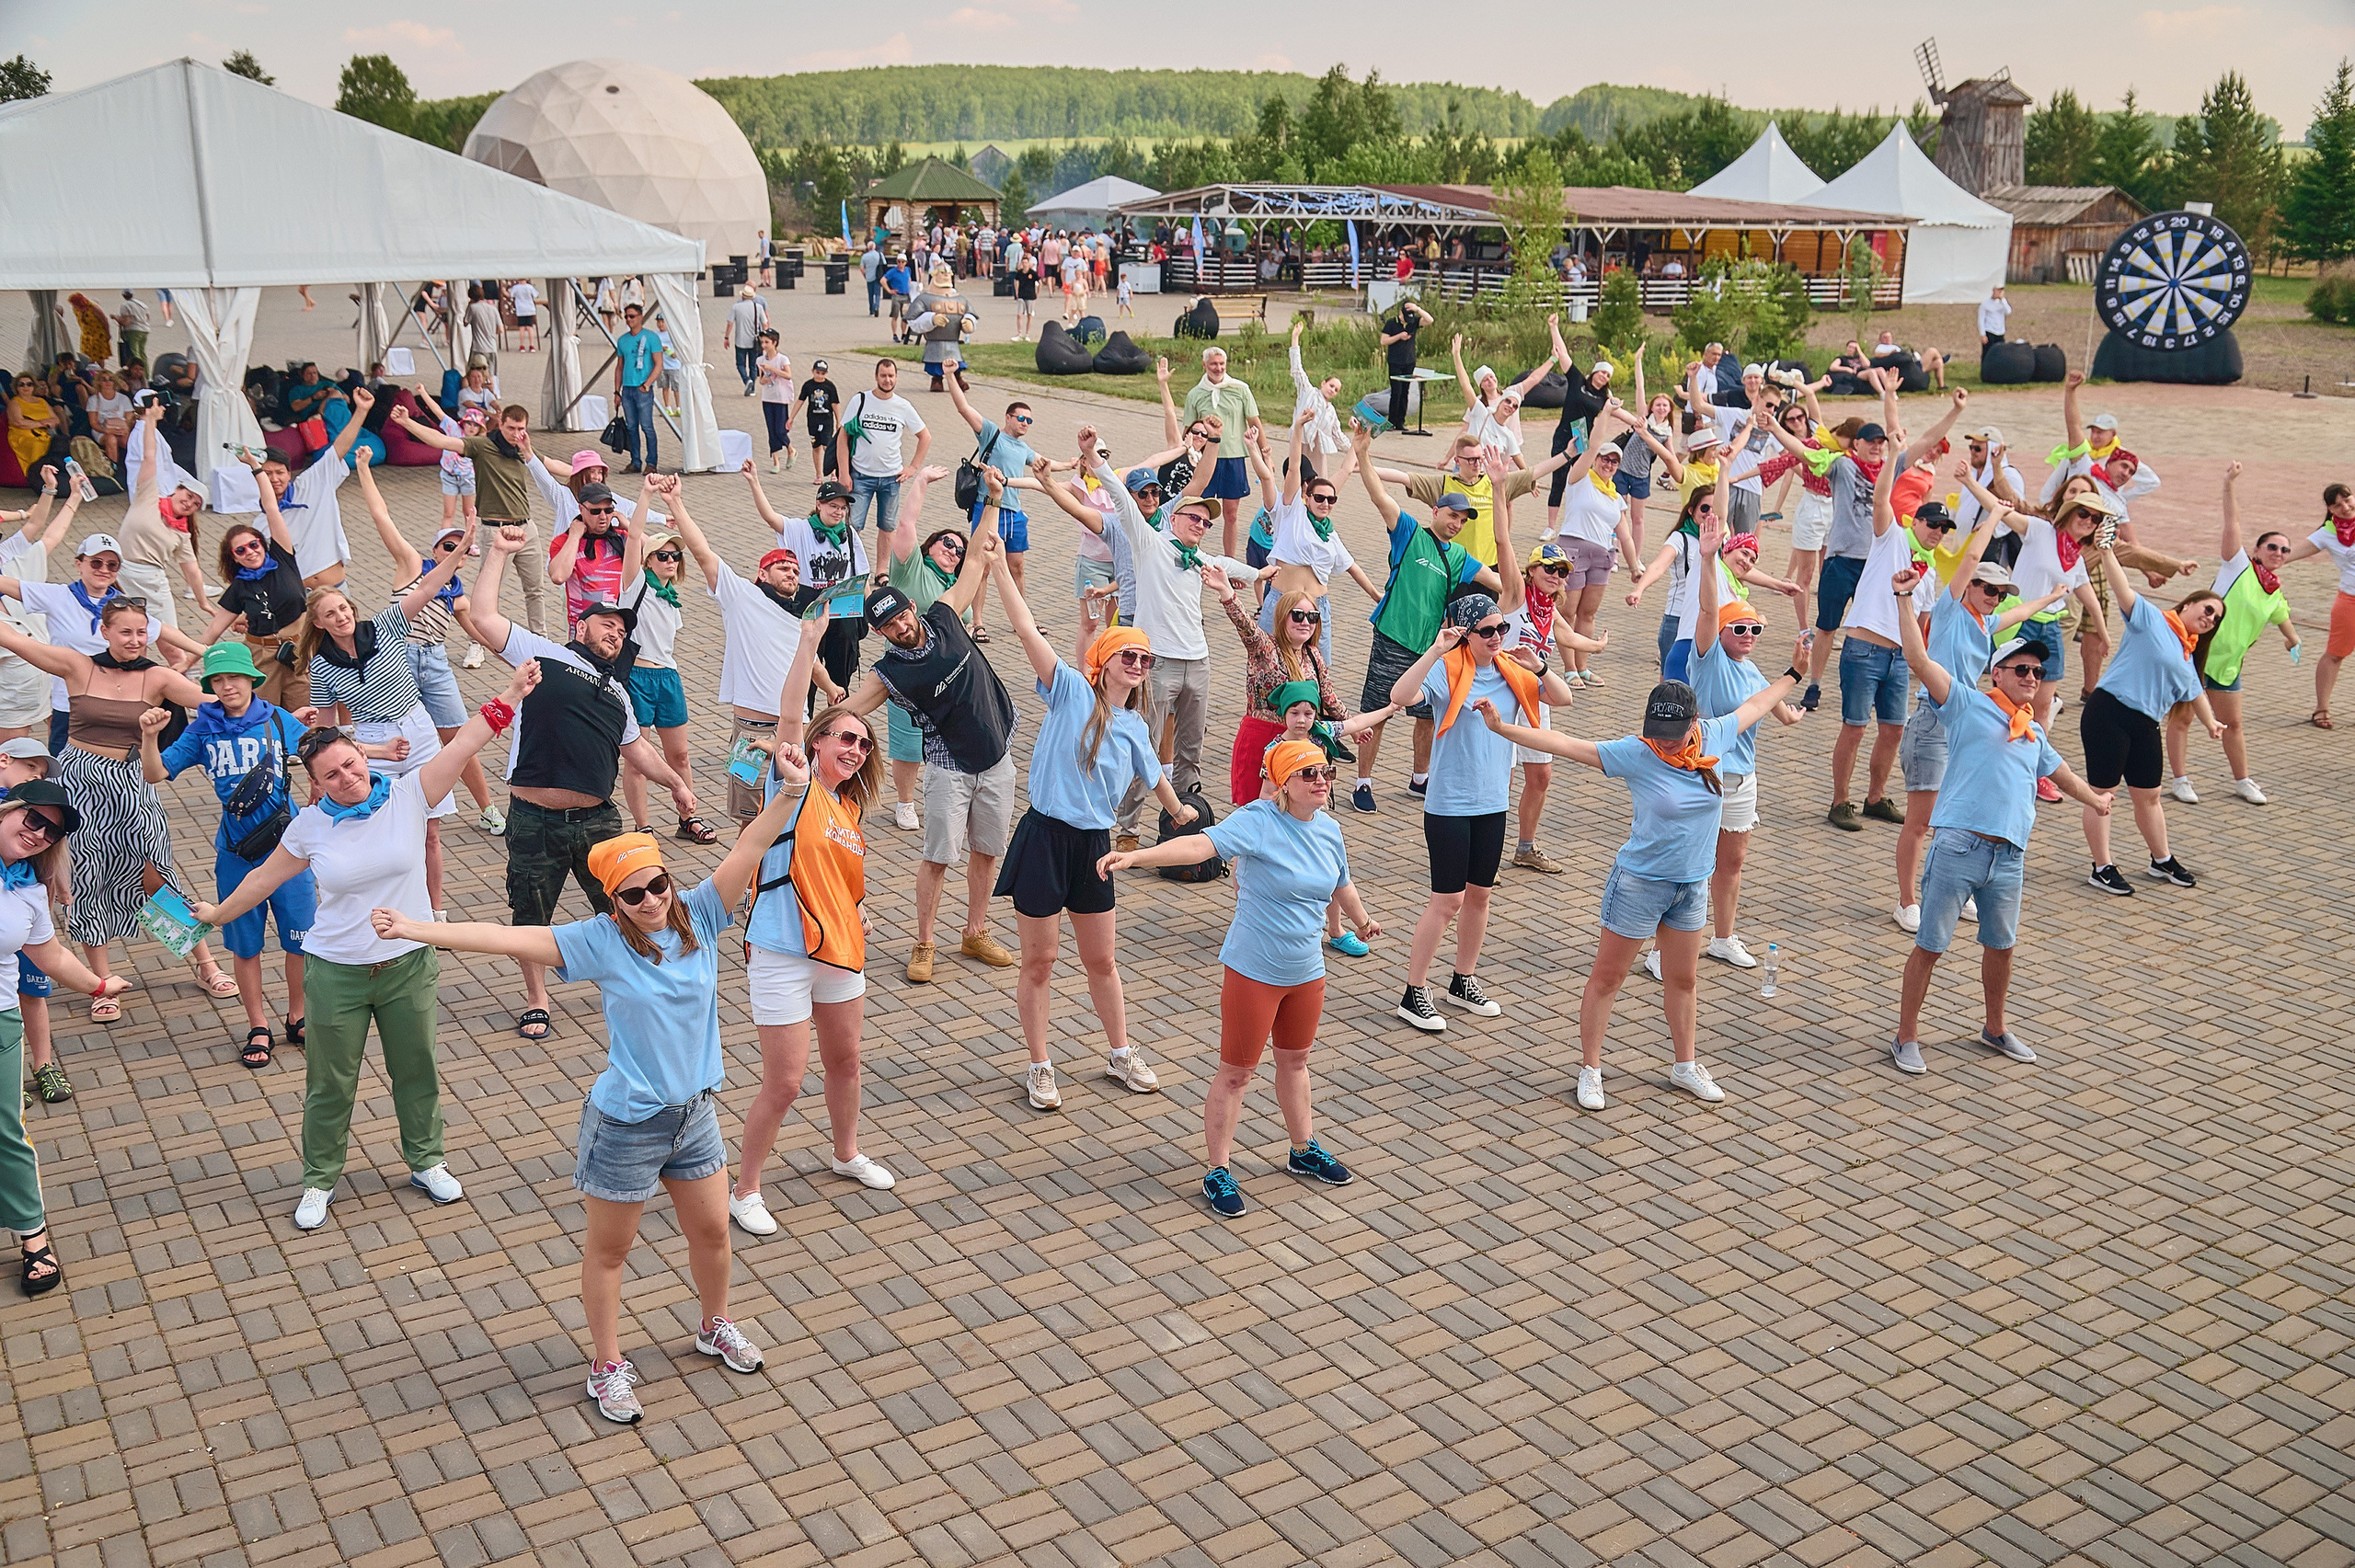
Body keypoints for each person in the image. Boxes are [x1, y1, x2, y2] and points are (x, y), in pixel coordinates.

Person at [374, 792, 798, 1421]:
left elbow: (751, 844)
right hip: (627, 1125)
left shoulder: (701, 915)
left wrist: (789, 792)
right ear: (612, 903)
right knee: (610, 1252)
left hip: (695, 1116)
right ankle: (605, 1366)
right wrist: (414, 929)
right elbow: (502, 935)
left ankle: (715, 1325)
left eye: (657, 884)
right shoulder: (600, 941)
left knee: (712, 1232)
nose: (651, 900)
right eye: (633, 894)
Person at [192, 665, 538, 1228]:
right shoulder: (308, 827)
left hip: (407, 964)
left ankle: (427, 1160)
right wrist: (216, 913)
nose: (346, 778)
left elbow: (471, 738)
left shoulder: (411, 795)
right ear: (317, 782)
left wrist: (512, 694)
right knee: (330, 1081)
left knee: (417, 1068)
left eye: (351, 764)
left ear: (364, 757)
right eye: (331, 775)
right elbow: (262, 879)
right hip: (336, 970)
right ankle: (318, 1179)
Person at [1099, 738, 1374, 1218]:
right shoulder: (1257, 821)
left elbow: (1340, 882)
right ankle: (1218, 1171)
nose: (1321, 782)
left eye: (1325, 773)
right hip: (1253, 971)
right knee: (1236, 1074)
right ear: (1284, 783)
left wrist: (1362, 919)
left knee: (1295, 1063)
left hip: (1307, 972)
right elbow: (1198, 845)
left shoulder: (1330, 829)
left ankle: (1302, 1148)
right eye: (1308, 774)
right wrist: (1137, 858)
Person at [467, 524, 702, 1039]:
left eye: (622, 630)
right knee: (529, 911)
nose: (616, 633)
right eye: (607, 624)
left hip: (599, 822)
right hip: (534, 818)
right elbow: (483, 616)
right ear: (580, 626)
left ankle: (642, 983)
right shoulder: (545, 654)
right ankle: (537, 999)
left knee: (629, 903)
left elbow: (637, 751)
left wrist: (677, 786)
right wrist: (500, 553)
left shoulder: (619, 696)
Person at [989, 550, 1195, 1112]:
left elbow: (1158, 783)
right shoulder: (1070, 693)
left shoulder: (1134, 726)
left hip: (1094, 848)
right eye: (1128, 655)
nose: (1138, 663)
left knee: (1102, 961)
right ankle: (1039, 1064)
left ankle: (1120, 1052)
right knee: (1041, 961)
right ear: (1102, 663)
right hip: (1045, 839)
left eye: (1145, 659)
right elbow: (1026, 629)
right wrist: (1001, 571)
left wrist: (1181, 816)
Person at [1888, 582, 2112, 1076]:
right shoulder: (1968, 704)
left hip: (2010, 857)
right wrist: (1905, 601)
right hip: (1958, 847)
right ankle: (1905, 1035)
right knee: (1930, 945)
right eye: (2023, 670)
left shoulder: (2031, 729)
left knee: (2002, 947)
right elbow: (1919, 659)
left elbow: (2061, 773)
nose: (2033, 677)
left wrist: (2095, 800)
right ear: (1998, 673)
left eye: (2039, 671)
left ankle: (1994, 1027)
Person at [0, 597, 233, 1011]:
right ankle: (102, 981)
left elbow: (220, 704)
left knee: (156, 875)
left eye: (142, 632)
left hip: (130, 783)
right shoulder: (79, 666)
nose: (135, 640)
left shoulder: (157, 677)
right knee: (89, 880)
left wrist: (277, 714)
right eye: (125, 631)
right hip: (80, 784)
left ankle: (204, 963)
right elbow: (16, 641)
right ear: (104, 631)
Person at [726, 689, 900, 1236]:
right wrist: (807, 641)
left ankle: (845, 1154)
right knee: (786, 1081)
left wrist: (857, 912)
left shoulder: (848, 809)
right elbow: (788, 715)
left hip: (840, 950)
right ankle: (745, 1189)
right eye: (846, 738)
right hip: (781, 949)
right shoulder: (794, 786)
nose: (857, 749)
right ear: (815, 742)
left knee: (846, 1062)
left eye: (865, 744)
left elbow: (845, 886)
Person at [1384, 478, 1554, 1033]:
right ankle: (1414, 990)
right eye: (1488, 631)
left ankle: (1463, 977)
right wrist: (1436, 647)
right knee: (1447, 900)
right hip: (1450, 804)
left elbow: (1563, 698)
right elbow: (1400, 698)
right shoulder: (1447, 669)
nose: (1498, 636)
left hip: (1491, 803)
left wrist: (1540, 666)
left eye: (1501, 628)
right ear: (1466, 635)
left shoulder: (1509, 671)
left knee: (1480, 895)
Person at [839, 472, 1018, 984]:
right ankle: (924, 942)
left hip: (998, 754)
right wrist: (806, 732)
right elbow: (852, 711)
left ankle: (976, 931)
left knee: (988, 851)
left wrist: (992, 499)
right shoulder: (889, 672)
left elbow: (981, 553)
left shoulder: (945, 615)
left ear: (910, 607)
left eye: (900, 615)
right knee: (939, 856)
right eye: (888, 625)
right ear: (878, 632)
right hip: (947, 767)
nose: (899, 626)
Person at [1890, 469, 2067, 933]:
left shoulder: (1987, 624)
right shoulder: (1951, 608)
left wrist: (2051, 595)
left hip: (1965, 724)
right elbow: (1969, 557)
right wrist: (1993, 516)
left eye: (1998, 591)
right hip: (1933, 720)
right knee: (1921, 819)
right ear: (1969, 587)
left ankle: (1944, 890)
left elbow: (2021, 612)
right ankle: (1907, 900)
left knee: (1953, 816)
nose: (1992, 597)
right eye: (1986, 588)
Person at [142, 645, 315, 1066]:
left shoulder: (277, 719)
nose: (226, 686)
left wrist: (379, 752)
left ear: (251, 679)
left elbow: (321, 752)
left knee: (301, 941)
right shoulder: (203, 728)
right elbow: (156, 773)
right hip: (235, 854)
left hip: (288, 850)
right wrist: (148, 737)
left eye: (234, 677)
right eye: (217, 680)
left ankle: (299, 1015)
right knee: (245, 946)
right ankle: (258, 1025)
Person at [0, 784, 131, 1295]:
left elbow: (49, 956)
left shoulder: (29, 889)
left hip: (2, 1017)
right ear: (9, 808)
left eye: (50, 831)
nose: (37, 834)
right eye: (33, 819)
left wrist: (99, 985)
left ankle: (33, 1236)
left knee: (7, 1132)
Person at [1350, 420, 1503, 814]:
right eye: (1451, 515)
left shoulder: (1460, 558)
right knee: (1379, 713)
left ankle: (1420, 779)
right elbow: (1378, 494)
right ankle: (1363, 783)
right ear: (1435, 511)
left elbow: (1501, 584)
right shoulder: (1408, 532)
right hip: (1391, 639)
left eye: (1462, 519)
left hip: (1430, 651)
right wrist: (1363, 453)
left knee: (1427, 716)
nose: (1456, 523)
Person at [348, 452, 500, 835]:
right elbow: (381, 516)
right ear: (434, 551)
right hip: (394, 660)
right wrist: (364, 469)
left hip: (433, 664)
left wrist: (513, 656)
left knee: (458, 736)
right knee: (390, 734)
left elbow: (479, 631)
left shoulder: (457, 595)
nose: (455, 553)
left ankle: (488, 808)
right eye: (448, 547)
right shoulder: (412, 567)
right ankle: (379, 808)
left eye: (461, 549)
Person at [1097, 436, 1224, 853]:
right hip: (1161, 663)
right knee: (1146, 748)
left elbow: (1229, 565)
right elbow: (1120, 499)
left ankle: (1185, 824)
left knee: (1191, 750)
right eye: (1196, 519)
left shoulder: (1201, 559)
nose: (1202, 527)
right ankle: (1128, 828)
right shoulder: (1150, 542)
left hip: (1199, 663)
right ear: (1174, 517)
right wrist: (1096, 464)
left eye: (1208, 524)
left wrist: (1261, 575)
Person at [1687, 521, 1805, 967]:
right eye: (1739, 629)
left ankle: (1723, 937)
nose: (1749, 638)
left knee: (1731, 863)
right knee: (1693, 864)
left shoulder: (1754, 672)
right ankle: (1666, 948)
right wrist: (1707, 558)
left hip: (1743, 779)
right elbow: (1705, 608)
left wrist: (1795, 710)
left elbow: (1780, 710)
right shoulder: (1708, 659)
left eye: (1755, 630)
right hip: (1706, 772)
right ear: (1720, 632)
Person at [2079, 536, 2224, 896]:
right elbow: (2121, 587)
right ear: (2188, 604)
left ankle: (2161, 860)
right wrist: (2109, 551)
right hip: (2109, 712)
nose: (2209, 619)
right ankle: (2102, 867)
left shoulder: (2186, 653)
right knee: (2103, 794)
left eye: (2216, 619)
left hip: (2145, 724)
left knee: (2151, 795)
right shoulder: (2150, 618)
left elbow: (2195, 693)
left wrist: (2211, 723)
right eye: (2206, 610)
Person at [666, 481, 807, 824]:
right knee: (751, 817)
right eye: (782, 567)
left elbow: (808, 662)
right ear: (762, 573)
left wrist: (831, 686)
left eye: (795, 570)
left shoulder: (803, 617)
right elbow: (702, 552)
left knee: (794, 815)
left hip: (796, 731)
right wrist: (675, 503)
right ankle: (743, 880)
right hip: (753, 731)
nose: (791, 572)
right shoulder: (742, 596)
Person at [2165, 463, 2298, 807]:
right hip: (2196, 654)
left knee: (2233, 723)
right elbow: (2232, 522)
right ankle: (2180, 780)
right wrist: (2229, 484)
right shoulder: (2237, 565)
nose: (2278, 553)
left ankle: (2242, 780)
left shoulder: (2275, 592)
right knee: (2183, 718)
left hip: (2229, 665)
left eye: (2284, 549)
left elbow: (2282, 618)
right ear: (2256, 551)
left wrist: (2293, 640)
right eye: (2272, 547)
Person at [389, 398, 550, 644]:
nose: (516, 434)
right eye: (511, 428)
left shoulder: (523, 450)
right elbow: (442, 441)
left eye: (521, 429)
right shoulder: (482, 446)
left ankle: (541, 640)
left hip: (526, 528)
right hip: (496, 532)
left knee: (535, 590)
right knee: (489, 591)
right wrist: (406, 422)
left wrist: (588, 471)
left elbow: (550, 466)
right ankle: (478, 643)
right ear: (500, 424)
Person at [744, 466, 870, 699]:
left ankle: (838, 723)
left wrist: (872, 613)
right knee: (807, 675)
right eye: (833, 506)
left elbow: (861, 578)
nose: (839, 512)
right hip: (810, 607)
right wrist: (754, 481)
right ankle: (805, 724)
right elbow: (770, 517)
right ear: (819, 504)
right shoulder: (800, 529)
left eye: (843, 508)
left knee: (840, 679)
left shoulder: (850, 535)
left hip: (843, 613)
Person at [615, 523, 700, 842]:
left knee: (680, 756)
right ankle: (642, 825)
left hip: (668, 677)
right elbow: (634, 536)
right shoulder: (636, 587)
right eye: (662, 555)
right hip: (637, 677)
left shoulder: (670, 598)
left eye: (675, 556)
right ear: (647, 560)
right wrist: (648, 495)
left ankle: (688, 818)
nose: (670, 560)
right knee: (639, 758)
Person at [118, 408, 212, 629]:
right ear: (177, 489)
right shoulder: (149, 494)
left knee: (170, 643)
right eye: (189, 496)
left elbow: (192, 570)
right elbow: (149, 456)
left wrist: (203, 603)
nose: (189, 503)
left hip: (152, 582)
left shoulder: (182, 533)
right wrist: (150, 420)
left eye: (196, 504)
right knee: (125, 636)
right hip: (121, 575)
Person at [836, 360, 930, 544]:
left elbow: (925, 437)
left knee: (887, 527)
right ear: (876, 376)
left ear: (896, 377)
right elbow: (842, 438)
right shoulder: (860, 400)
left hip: (891, 478)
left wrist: (912, 467)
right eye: (883, 375)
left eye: (891, 376)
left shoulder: (902, 406)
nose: (887, 380)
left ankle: (881, 572)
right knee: (853, 527)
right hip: (860, 476)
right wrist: (844, 474)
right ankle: (851, 569)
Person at [1183, 348, 1263, 558]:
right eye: (1213, 364)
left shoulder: (1240, 389)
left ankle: (1230, 560)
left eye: (1221, 364)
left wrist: (1265, 453)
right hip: (1205, 460)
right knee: (1198, 511)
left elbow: (1254, 421)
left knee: (1231, 513)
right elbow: (1187, 428)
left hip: (1233, 458)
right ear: (1204, 365)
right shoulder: (1195, 394)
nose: (1218, 368)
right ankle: (1193, 554)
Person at [2303, 482, 2355, 728]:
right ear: (2330, 509)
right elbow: (2288, 554)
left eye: (2348, 500)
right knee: (2335, 654)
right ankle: (2321, 709)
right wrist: (2259, 560)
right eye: (2338, 505)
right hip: (2349, 600)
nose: (2345, 507)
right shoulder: (2327, 533)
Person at [1285, 317, 1349, 484]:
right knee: (1297, 482)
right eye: (1331, 385)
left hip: (1318, 451)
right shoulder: (1309, 392)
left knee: (1318, 484)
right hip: (1300, 444)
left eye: (1336, 389)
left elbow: (1337, 435)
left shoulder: (1331, 411)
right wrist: (1295, 338)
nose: (1332, 390)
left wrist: (1354, 450)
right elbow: (1297, 369)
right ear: (1323, 383)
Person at [613, 303, 664, 474]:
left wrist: (647, 384)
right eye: (626, 316)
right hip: (627, 389)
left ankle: (652, 462)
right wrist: (617, 391)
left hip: (643, 389)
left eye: (632, 316)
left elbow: (658, 364)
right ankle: (635, 461)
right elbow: (619, 366)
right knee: (631, 427)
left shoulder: (651, 338)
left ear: (640, 317)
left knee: (647, 426)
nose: (628, 319)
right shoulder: (623, 340)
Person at [1377, 300, 1432, 436]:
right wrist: (1399, 337)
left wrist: (1418, 309)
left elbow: (1429, 320)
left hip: (1409, 362)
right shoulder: (1391, 323)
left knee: (1405, 392)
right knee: (1396, 391)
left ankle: (1400, 421)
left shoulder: (1413, 322)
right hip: (1395, 361)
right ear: (1400, 313)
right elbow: (1383, 341)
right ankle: (1391, 421)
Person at [754, 331, 795, 472]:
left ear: (774, 343)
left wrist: (772, 369)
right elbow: (761, 379)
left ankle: (790, 449)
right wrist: (764, 379)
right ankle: (776, 461)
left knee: (780, 429)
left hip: (781, 397)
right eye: (762, 342)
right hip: (767, 397)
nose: (764, 345)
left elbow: (788, 375)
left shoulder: (782, 359)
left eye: (767, 342)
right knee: (771, 430)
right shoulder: (760, 360)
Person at [798, 360, 841, 480]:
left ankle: (832, 472)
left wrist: (838, 421)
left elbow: (835, 404)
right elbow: (800, 401)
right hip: (812, 420)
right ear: (813, 371)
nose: (820, 375)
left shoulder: (830, 386)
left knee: (827, 446)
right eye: (818, 372)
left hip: (826, 420)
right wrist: (791, 417)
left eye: (823, 373)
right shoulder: (808, 385)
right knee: (816, 447)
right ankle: (818, 474)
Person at [721, 283, 767, 396]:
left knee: (740, 364)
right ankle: (753, 389)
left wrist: (726, 337)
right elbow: (765, 324)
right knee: (753, 365)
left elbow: (730, 323)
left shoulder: (736, 307)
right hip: (755, 341)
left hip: (740, 340)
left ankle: (747, 380)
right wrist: (765, 340)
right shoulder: (758, 307)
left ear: (743, 296)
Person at [1978, 284, 2011, 350]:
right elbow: (1981, 320)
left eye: (2001, 290)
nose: (2000, 292)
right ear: (1993, 290)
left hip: (2000, 332)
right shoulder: (1985, 304)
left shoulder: (2003, 303)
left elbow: (2008, 311)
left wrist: (2003, 299)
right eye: (1998, 290)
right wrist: (1983, 334)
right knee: (1987, 354)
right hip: (1990, 332)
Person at [511, 279, 539, 353]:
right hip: (530, 308)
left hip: (520, 309)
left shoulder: (516, 287)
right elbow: (536, 295)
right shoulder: (530, 287)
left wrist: (504, 292)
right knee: (530, 327)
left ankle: (522, 345)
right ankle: (532, 345)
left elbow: (511, 295)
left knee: (522, 328)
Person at [860, 239, 883, 317]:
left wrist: (865, 275)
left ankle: (871, 310)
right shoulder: (880, 255)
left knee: (870, 294)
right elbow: (884, 265)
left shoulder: (864, 256)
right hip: (878, 276)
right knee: (877, 293)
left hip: (869, 277)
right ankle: (877, 306)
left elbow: (862, 268)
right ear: (874, 247)